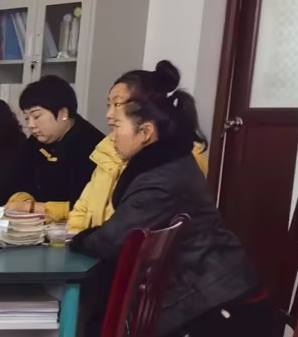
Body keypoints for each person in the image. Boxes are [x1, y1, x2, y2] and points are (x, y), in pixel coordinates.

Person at [71, 71, 275, 337]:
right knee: (111, 316)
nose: (111, 132)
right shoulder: (168, 162)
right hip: (221, 295)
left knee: (122, 329)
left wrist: (77, 239)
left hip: (230, 308)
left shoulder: (160, 178)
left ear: (146, 132)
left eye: (117, 123)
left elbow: (113, 239)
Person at [69, 61, 209, 233]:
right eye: (108, 105)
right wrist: (72, 238)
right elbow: (82, 210)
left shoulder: (177, 159)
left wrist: (85, 241)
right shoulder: (108, 147)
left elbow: (124, 231)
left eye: (117, 104)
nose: (109, 114)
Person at [6, 76, 103, 222]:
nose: (31, 125)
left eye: (36, 116)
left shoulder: (93, 147)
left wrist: (33, 208)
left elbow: (89, 207)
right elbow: (18, 179)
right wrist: (23, 200)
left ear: (63, 113)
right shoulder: (34, 142)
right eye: (27, 118)